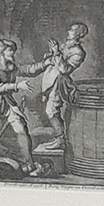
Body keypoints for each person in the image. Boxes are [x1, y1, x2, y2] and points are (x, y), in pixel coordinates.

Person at [0, 38, 48, 174]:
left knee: (21, 129)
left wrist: (45, 63)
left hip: (6, 101)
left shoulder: (12, 68)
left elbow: (30, 70)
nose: (13, 54)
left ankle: (29, 163)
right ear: (1, 54)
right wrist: (18, 85)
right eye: (10, 52)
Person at [36, 22, 88, 152]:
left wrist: (57, 52)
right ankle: (58, 138)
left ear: (78, 34)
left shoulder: (78, 52)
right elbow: (55, 60)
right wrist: (51, 54)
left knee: (52, 111)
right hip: (50, 80)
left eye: (72, 29)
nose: (69, 30)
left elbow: (64, 69)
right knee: (49, 110)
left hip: (59, 82)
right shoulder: (65, 45)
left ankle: (60, 140)